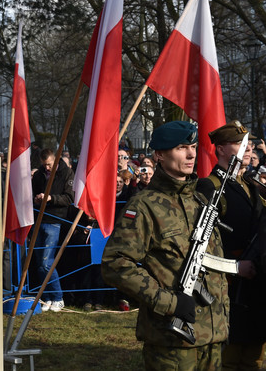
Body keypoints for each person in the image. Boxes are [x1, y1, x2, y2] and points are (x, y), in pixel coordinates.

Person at [101, 121, 229, 370]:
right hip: (172, 343)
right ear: (159, 155)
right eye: (182, 147)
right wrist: (169, 302)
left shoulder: (200, 200)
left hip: (213, 336)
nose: (191, 154)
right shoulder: (145, 206)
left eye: (193, 146)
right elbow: (115, 264)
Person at [196, 120, 266, 370]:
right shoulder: (209, 186)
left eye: (249, 143)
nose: (249, 148)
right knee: (229, 358)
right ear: (221, 149)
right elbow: (200, 247)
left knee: (255, 356)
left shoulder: (250, 185)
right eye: (240, 143)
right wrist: (234, 267)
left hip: (255, 283)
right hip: (227, 286)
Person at [31, 148, 75, 312]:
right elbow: (33, 193)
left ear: (55, 160)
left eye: (49, 164)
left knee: (46, 262)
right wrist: (37, 198)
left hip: (55, 220)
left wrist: (51, 198)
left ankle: (58, 297)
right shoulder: (38, 175)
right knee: (39, 263)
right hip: (39, 219)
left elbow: (69, 198)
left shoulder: (66, 173)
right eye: (44, 165)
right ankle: (48, 297)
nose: (47, 168)